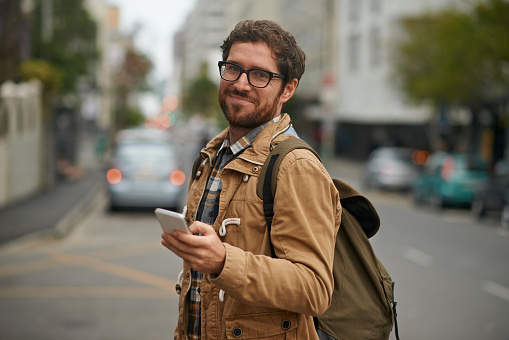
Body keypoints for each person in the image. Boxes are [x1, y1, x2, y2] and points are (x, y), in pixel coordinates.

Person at [161, 19, 341, 340]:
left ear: (288, 89)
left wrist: (223, 261)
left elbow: (315, 288)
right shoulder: (211, 156)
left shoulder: (295, 165)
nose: (241, 83)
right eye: (233, 68)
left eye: (260, 75)